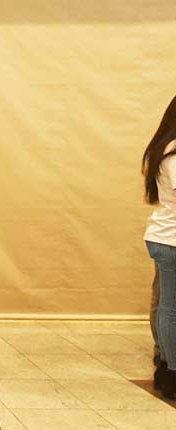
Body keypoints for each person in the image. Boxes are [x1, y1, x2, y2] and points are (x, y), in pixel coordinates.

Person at [142, 94, 176, 399]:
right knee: (169, 308)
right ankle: (170, 370)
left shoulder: (163, 149)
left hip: (164, 237)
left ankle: (166, 365)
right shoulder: (174, 154)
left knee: (166, 305)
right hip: (171, 240)